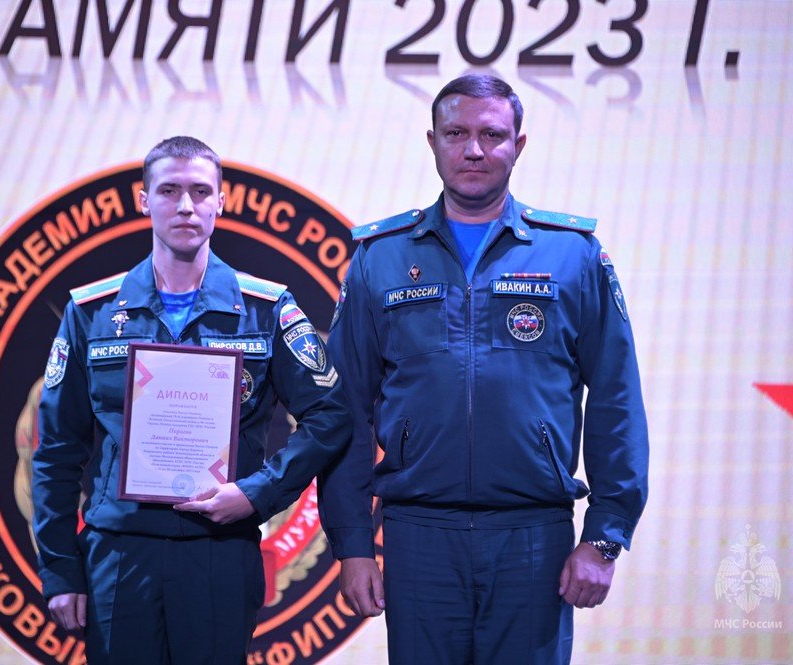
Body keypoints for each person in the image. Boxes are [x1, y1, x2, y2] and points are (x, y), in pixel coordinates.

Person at [318, 74, 649, 664]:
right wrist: (352, 543)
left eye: (492, 135)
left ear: (518, 144)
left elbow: (615, 399)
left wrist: (605, 536)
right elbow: (345, 410)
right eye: (456, 134)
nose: (473, 149)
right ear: (432, 142)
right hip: (419, 536)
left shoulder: (572, 254)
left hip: (534, 537)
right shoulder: (380, 257)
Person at [32, 136, 351, 664]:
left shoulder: (266, 308)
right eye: (169, 190)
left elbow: (330, 415)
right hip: (119, 551)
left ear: (221, 201)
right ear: (144, 200)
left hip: (219, 548)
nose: (186, 205)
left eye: (201, 191)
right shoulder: (91, 312)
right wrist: (61, 569)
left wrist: (256, 493)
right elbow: (56, 450)